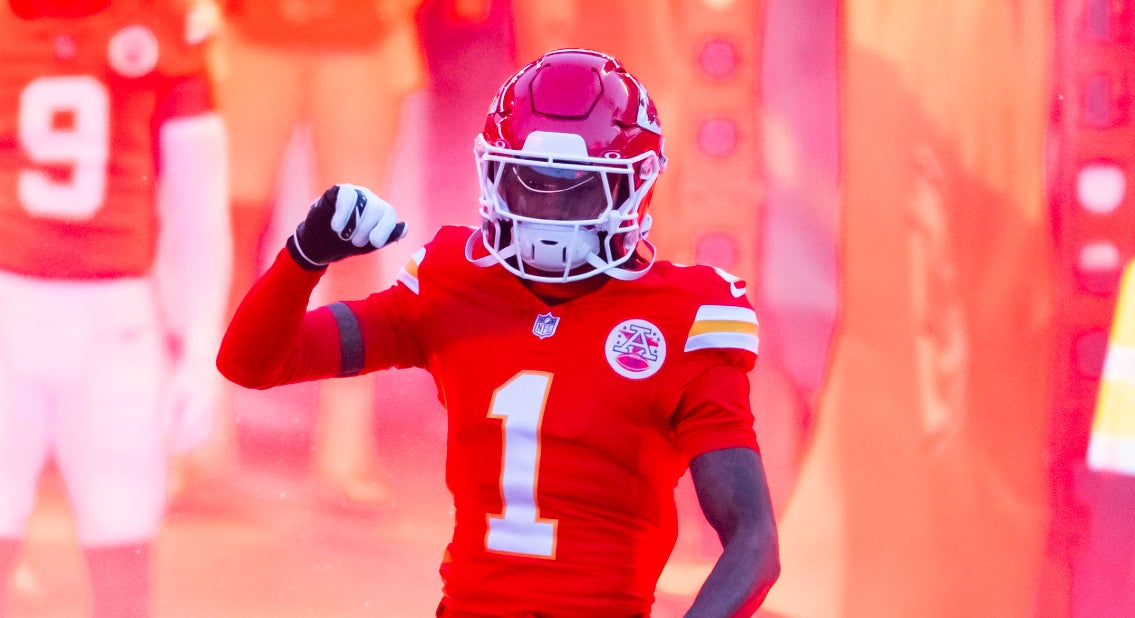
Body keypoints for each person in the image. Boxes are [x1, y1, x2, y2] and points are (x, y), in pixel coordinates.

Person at [218, 49, 779, 616]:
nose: (547, 212)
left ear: (635, 188)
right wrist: (305, 256)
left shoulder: (683, 316)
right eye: (527, 183)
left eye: (577, 188)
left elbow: (754, 544)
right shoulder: (454, 285)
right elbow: (252, 363)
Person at [0, 0, 230, 615]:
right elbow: (201, 211)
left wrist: (204, 341)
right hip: (23, 309)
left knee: (121, 546)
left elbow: (200, 201)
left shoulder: (160, 25)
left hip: (113, 321)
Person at [194, 0, 426, 507]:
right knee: (227, 230)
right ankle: (203, 436)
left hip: (362, 38)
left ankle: (347, 451)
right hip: (251, 33)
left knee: (358, 235)